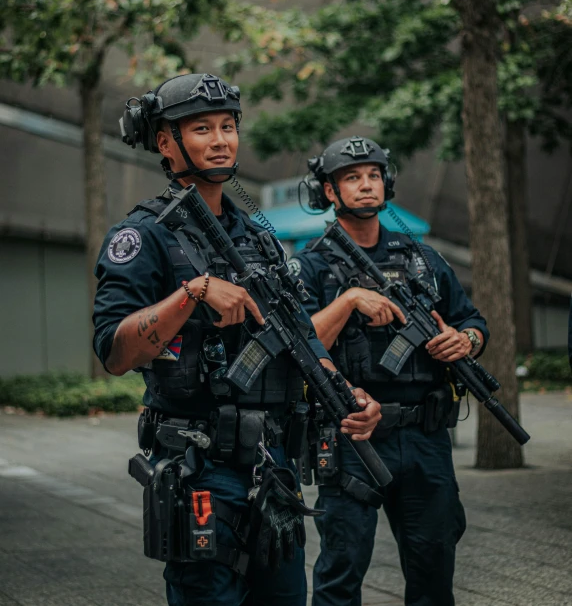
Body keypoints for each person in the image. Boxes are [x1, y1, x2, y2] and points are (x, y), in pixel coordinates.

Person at [92, 75, 381, 606]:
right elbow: (113, 351)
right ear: (164, 142)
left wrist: (347, 394)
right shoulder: (144, 235)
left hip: (274, 467)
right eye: (202, 128)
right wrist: (192, 294)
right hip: (202, 466)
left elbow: (299, 335)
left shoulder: (259, 239)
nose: (221, 140)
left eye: (229, 126)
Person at [289, 136, 490, 606]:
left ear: (387, 183)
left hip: (425, 437)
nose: (365, 185)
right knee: (341, 572)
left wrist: (467, 341)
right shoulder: (310, 266)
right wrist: (348, 301)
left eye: (374, 175)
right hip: (352, 437)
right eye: (352, 178)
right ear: (330, 192)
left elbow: (472, 320)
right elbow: (298, 341)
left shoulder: (423, 259)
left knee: (434, 570)